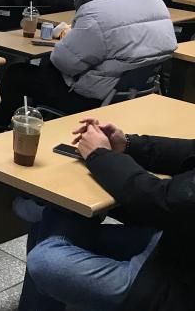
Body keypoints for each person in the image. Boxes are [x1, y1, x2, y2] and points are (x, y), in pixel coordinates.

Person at [0, 0, 176, 126]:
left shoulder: (98, 11)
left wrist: (66, 43)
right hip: (133, 96)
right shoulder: (157, 3)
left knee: (17, 73)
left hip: (91, 99)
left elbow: (64, 62)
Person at [15, 117, 193, 310]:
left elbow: (160, 202)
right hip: (176, 244)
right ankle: (53, 211)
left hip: (177, 287)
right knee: (52, 221)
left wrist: (99, 155)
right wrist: (128, 144)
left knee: (44, 259)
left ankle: (49, 210)